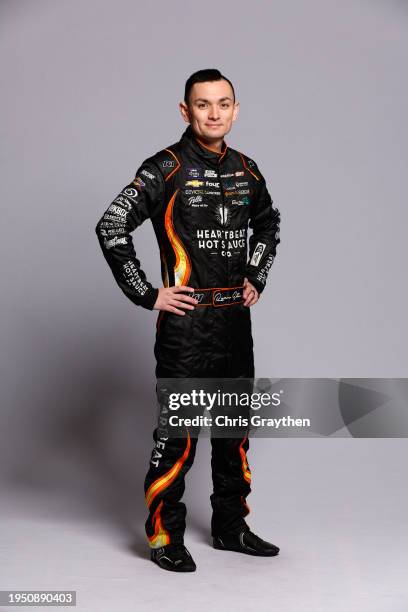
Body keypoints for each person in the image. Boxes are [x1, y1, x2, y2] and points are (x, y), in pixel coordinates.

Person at [95, 68, 281, 572]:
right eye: (203, 105)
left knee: (233, 429)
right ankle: (163, 537)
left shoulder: (247, 169)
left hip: (234, 322)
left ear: (236, 110)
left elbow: (270, 222)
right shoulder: (166, 167)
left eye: (223, 104)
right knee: (177, 432)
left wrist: (255, 278)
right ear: (186, 111)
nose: (214, 113)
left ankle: (231, 528)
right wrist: (146, 294)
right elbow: (111, 226)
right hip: (186, 323)